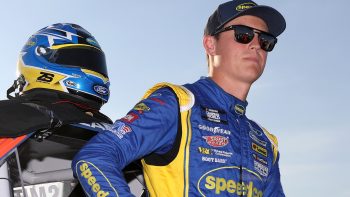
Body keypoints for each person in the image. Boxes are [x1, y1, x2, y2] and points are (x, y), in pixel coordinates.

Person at [72, 0, 286, 196]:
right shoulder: (178, 104)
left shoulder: (265, 141)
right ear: (210, 44)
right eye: (243, 34)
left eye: (266, 40)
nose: (256, 44)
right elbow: (95, 157)